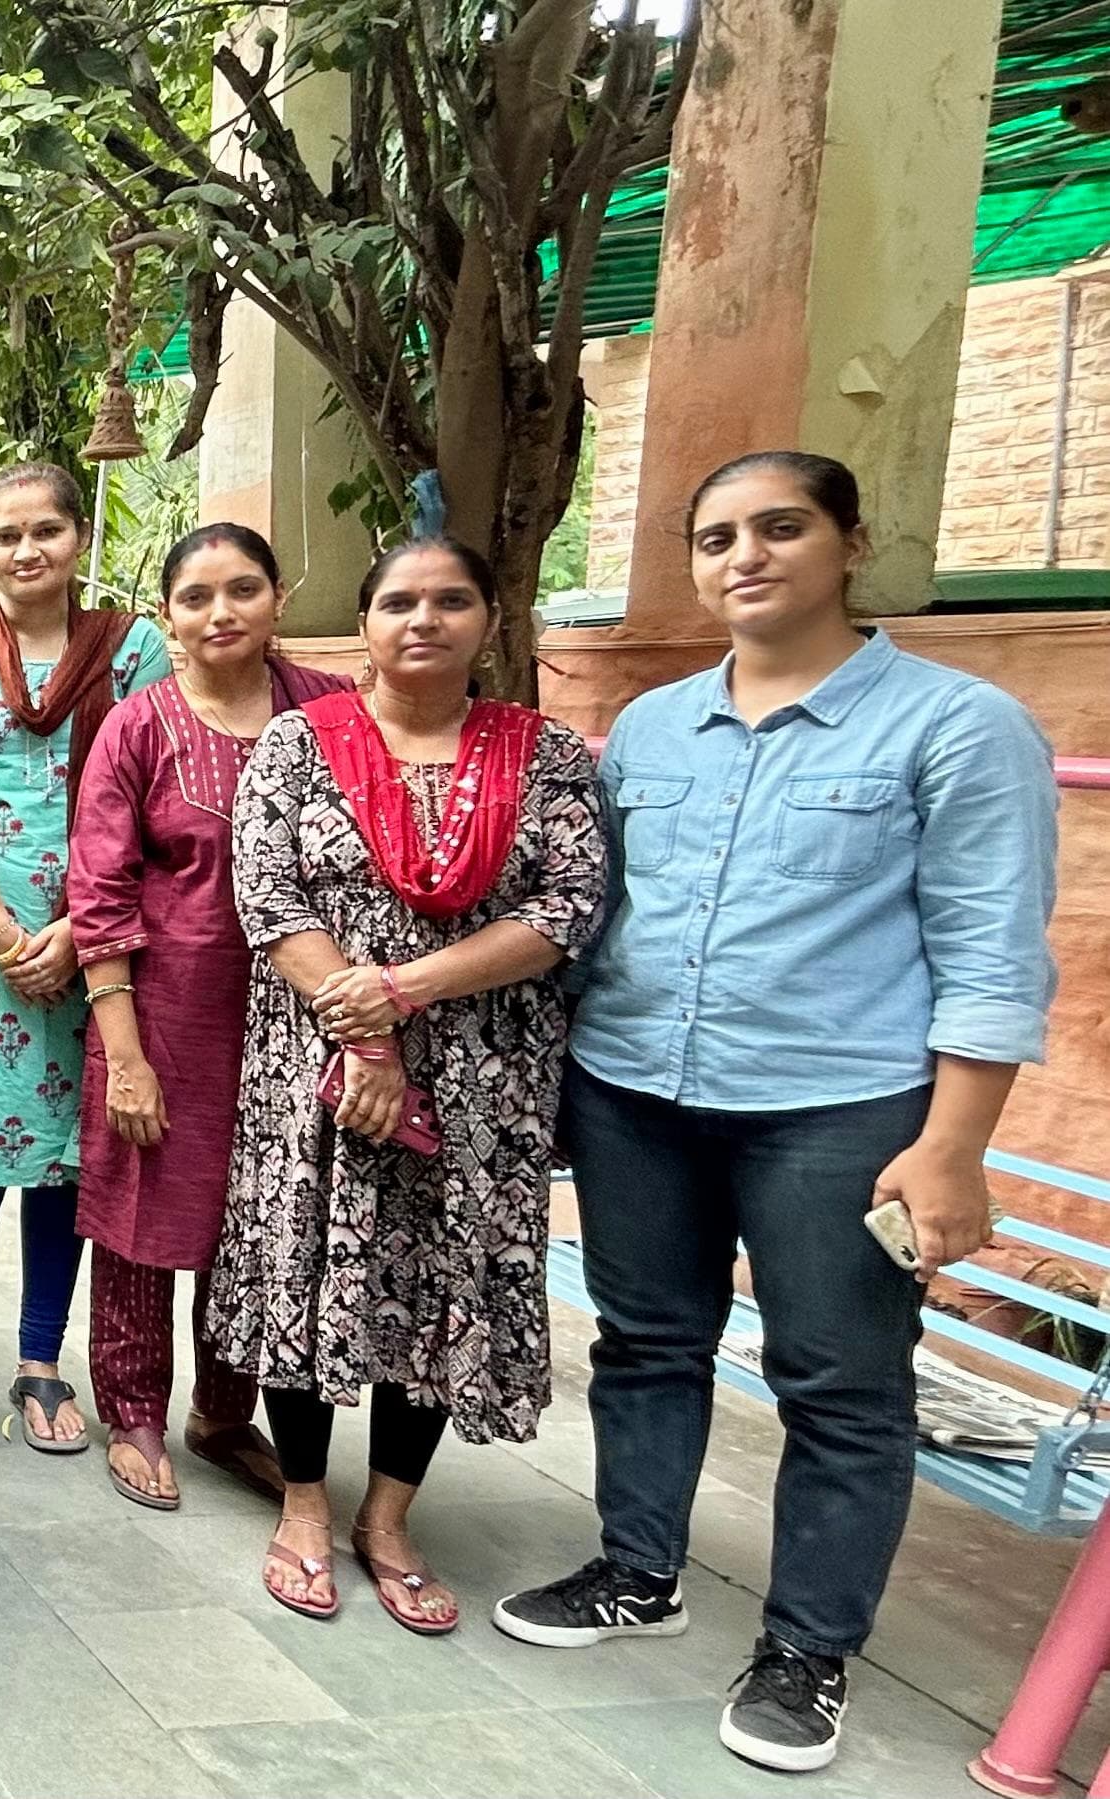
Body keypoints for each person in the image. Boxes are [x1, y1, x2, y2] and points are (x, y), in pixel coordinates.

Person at [496, 453, 1059, 1773]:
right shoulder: (650, 726)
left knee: (841, 1380)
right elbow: (602, 914)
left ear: (852, 540)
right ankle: (640, 1565)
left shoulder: (957, 727)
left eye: (780, 527)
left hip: (837, 1109)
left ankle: (808, 1644)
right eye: (716, 536)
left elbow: (990, 949)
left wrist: (954, 1143)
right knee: (644, 1340)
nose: (744, 554)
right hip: (638, 1088)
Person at [211, 536, 605, 1637]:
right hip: (318, 1070)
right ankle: (300, 1504)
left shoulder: (546, 756)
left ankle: (387, 1516)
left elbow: (567, 906)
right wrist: (365, 1033)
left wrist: (404, 990)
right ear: (364, 621)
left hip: (481, 1075)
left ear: (489, 616)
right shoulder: (299, 744)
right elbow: (268, 896)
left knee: (439, 1280)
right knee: (306, 1266)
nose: (420, 619)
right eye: (395, 601)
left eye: (448, 600)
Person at [65, 526, 349, 1510]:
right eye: (194, 596)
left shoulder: (330, 711)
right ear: (166, 616)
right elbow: (96, 895)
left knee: (262, 1219)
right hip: (164, 1015)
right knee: (145, 1212)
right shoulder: (135, 727)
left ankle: (223, 1414)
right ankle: (133, 1410)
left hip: (298, 1019)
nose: (218, 611)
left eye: (240, 589)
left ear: (278, 595)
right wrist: (125, 1054)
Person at [0, 464, 169, 1453]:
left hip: (93, 933)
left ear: (75, 540)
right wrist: (6, 933)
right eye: (3, 533)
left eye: (45, 529)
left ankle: (39, 1358)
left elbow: (138, 794)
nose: (25, 549)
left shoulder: (132, 648)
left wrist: (75, 931)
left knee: (64, 1155)